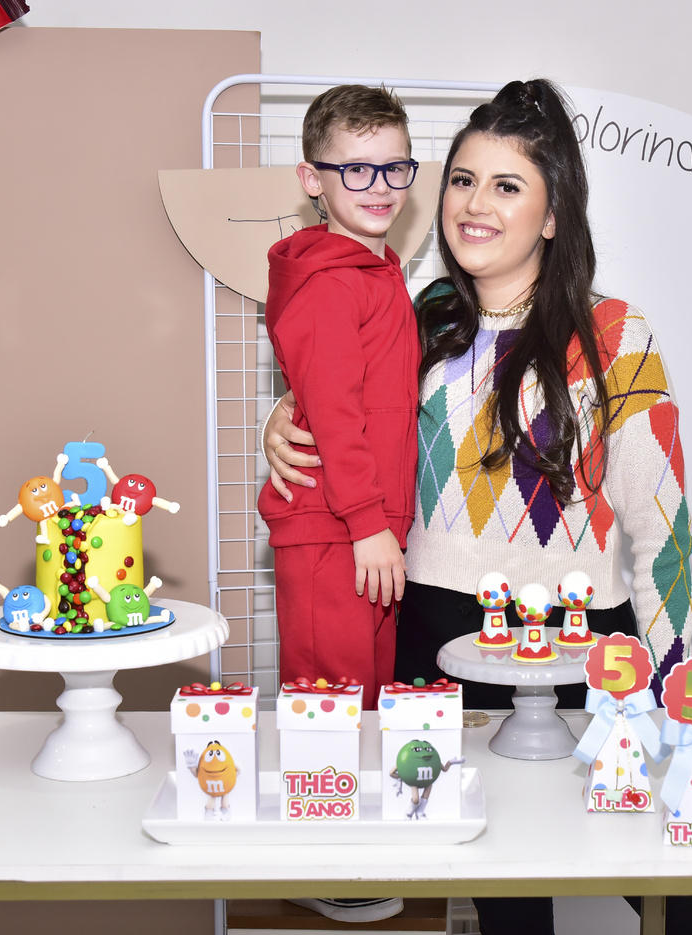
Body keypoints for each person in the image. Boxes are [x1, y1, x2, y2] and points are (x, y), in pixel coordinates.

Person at [266, 79, 692, 935]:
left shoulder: (618, 334)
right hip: (433, 639)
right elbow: (341, 407)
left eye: (507, 186)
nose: (474, 205)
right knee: (505, 895)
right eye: (463, 180)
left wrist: (669, 692)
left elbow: (663, 531)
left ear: (553, 215)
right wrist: (281, 421)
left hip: (582, 645)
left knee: (683, 890)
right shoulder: (422, 316)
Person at [261, 83, 419, 927]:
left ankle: (349, 846)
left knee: (362, 701)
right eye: (356, 168)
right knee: (330, 700)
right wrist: (366, 523)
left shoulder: (376, 271)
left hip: (362, 528)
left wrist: (380, 524)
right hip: (335, 531)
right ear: (311, 178)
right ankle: (317, 861)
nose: (379, 185)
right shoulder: (330, 282)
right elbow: (334, 409)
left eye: (394, 166)